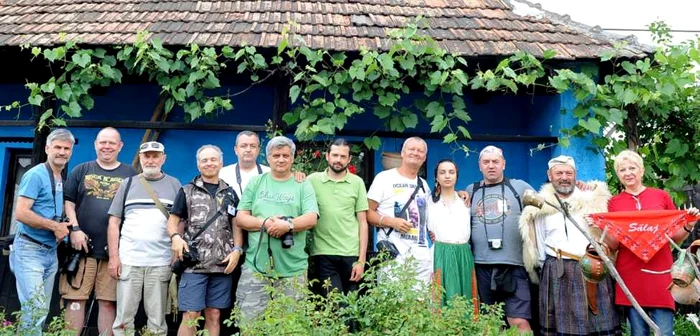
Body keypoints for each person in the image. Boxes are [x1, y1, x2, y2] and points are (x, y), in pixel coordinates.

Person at [519, 155, 621, 336]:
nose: (564, 177)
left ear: (575, 176)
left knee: (597, 323)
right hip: (557, 268)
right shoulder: (541, 205)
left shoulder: (591, 200)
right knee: (559, 326)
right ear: (550, 176)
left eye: (568, 173)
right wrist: (546, 268)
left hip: (592, 266)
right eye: (559, 173)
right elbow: (539, 240)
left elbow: (607, 235)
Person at [607, 150, 699, 336]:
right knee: (637, 332)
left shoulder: (661, 197)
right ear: (618, 175)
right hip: (630, 273)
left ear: (641, 170)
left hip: (660, 272)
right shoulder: (614, 203)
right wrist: (601, 228)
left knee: (664, 331)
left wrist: (689, 224)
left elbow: (673, 239)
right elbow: (614, 245)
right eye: (622, 169)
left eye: (632, 168)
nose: (628, 173)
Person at [59, 127, 137, 335]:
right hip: (81, 249)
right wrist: (74, 228)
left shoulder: (131, 174)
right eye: (103, 142)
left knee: (109, 303)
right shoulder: (81, 170)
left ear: (120, 146)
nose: (107, 146)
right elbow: (69, 202)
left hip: (114, 252)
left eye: (112, 143)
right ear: (95, 144)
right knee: (75, 300)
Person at [235, 136, 319, 321]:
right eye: (276, 155)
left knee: (289, 328)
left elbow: (312, 218)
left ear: (292, 158)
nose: (281, 159)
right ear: (268, 158)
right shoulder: (256, 182)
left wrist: (287, 226)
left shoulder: (302, 184)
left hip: (293, 269)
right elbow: (241, 218)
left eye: (285, 156)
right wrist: (265, 224)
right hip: (256, 267)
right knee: (249, 326)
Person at [107, 141, 181, 336]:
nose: (150, 160)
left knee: (157, 321)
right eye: (146, 156)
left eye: (155, 156)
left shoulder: (175, 184)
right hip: (129, 261)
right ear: (140, 158)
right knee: (123, 319)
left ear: (163, 159)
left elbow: (180, 223)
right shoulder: (128, 183)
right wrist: (114, 257)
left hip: (161, 262)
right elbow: (114, 222)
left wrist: (176, 253)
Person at [167, 145, 242, 336]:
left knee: (214, 314)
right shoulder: (186, 191)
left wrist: (237, 250)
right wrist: (175, 237)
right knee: (191, 314)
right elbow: (172, 222)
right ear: (198, 164)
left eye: (213, 159)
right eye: (204, 160)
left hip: (222, 265)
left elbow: (237, 225)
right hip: (195, 265)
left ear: (221, 163)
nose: (209, 163)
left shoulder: (230, 193)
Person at [10, 128, 74, 334]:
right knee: (34, 310)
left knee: (41, 310)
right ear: (47, 148)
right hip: (29, 249)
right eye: (57, 147)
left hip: (49, 251)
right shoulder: (36, 174)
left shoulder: (59, 176)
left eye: (66, 148)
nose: (62, 152)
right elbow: (21, 213)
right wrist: (55, 226)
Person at [465, 145, 533, 333]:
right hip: (481, 265)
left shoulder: (520, 187)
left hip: (514, 265)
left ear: (504, 164)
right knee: (489, 322)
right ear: (480, 166)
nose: (491, 166)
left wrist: (584, 188)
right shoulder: (471, 190)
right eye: (486, 162)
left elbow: (548, 203)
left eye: (495, 161)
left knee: (518, 321)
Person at [307, 138, 369, 295]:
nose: (338, 160)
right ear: (327, 156)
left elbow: (363, 223)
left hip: (351, 254)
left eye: (343, 157)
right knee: (335, 305)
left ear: (349, 159)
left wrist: (361, 261)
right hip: (324, 254)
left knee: (353, 309)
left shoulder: (357, 183)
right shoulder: (312, 180)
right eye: (335, 155)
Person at [367, 137, 432, 284]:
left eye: (420, 151)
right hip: (393, 255)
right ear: (402, 153)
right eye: (411, 149)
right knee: (392, 304)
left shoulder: (424, 185)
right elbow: (368, 212)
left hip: (421, 257)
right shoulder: (384, 178)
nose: (415, 153)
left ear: (424, 157)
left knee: (420, 304)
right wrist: (392, 222)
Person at [426, 159, 475, 306]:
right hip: (440, 252)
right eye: (442, 172)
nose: (447, 176)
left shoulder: (464, 200)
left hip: (463, 253)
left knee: (465, 299)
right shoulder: (429, 201)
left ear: (456, 176)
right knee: (440, 299)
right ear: (436, 177)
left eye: (451, 172)